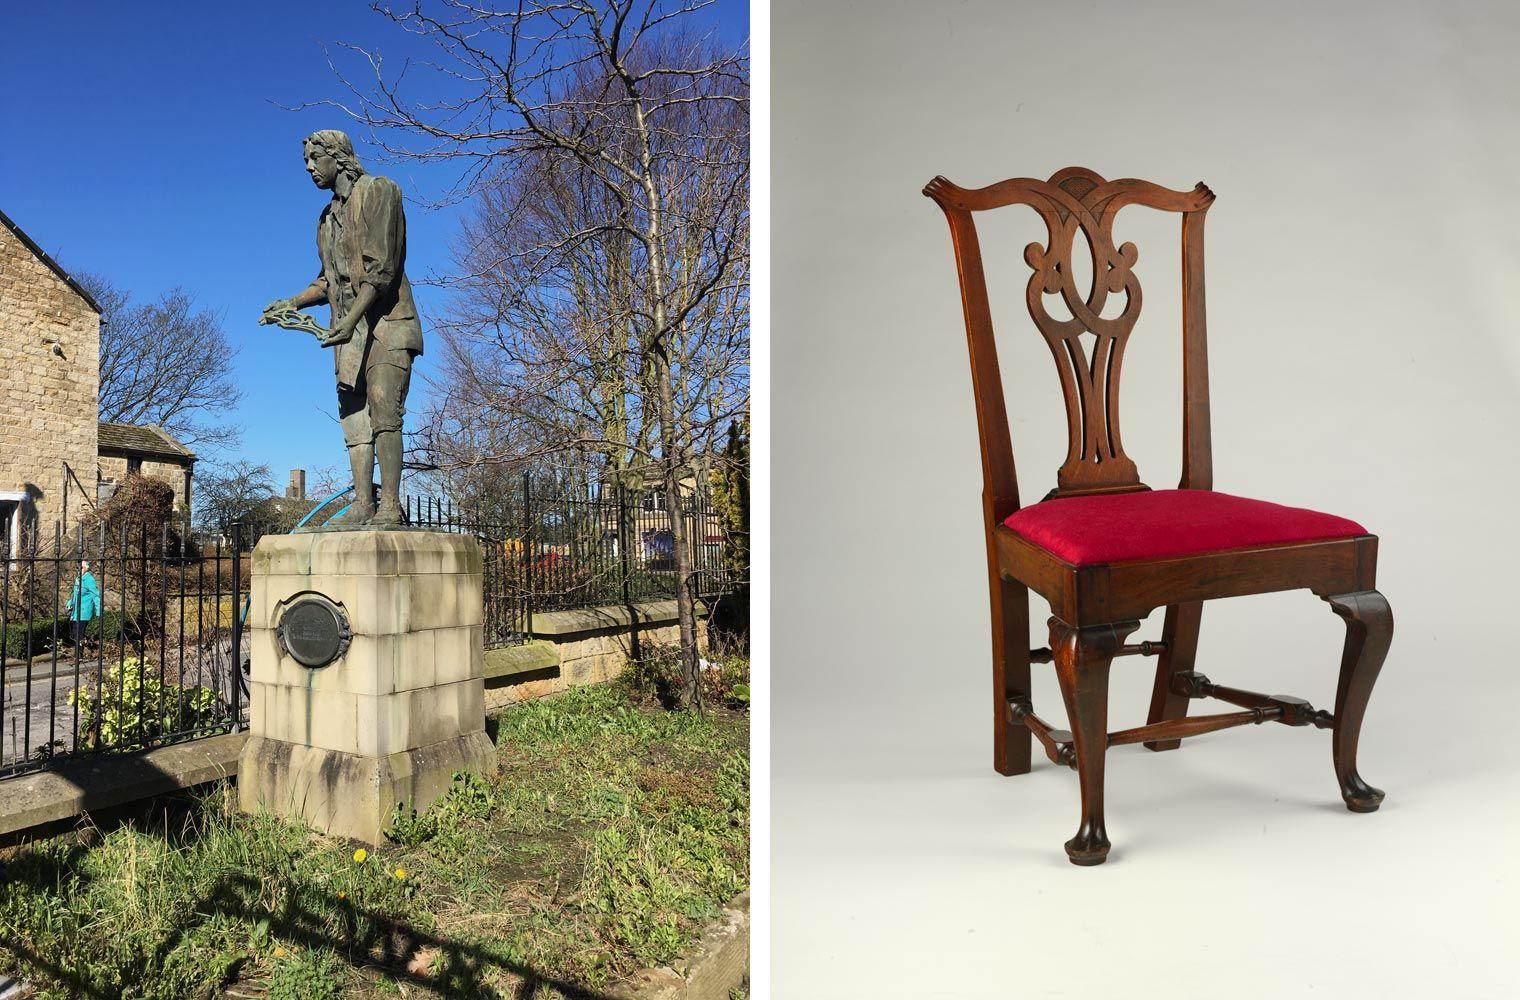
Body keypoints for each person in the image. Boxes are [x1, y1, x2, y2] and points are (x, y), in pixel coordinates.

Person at [260, 129, 424, 528]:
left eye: (316, 159)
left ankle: (389, 506)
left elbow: (381, 269)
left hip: (388, 325)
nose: (310, 168)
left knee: (385, 412)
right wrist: (292, 302)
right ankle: (362, 504)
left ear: (338, 156)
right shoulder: (326, 220)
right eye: (306, 162)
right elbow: (328, 280)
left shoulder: (380, 191)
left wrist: (350, 321)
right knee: (354, 422)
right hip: (349, 336)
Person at [67, 560, 100, 650]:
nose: (78, 569)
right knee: (74, 634)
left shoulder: (89, 580)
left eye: (80, 567)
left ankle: (79, 657)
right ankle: (87, 642)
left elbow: (96, 595)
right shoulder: (78, 579)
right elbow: (74, 594)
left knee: (78, 634)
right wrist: (70, 603)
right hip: (75, 612)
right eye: (77, 568)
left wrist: (99, 611)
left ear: (86, 568)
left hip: (84, 611)